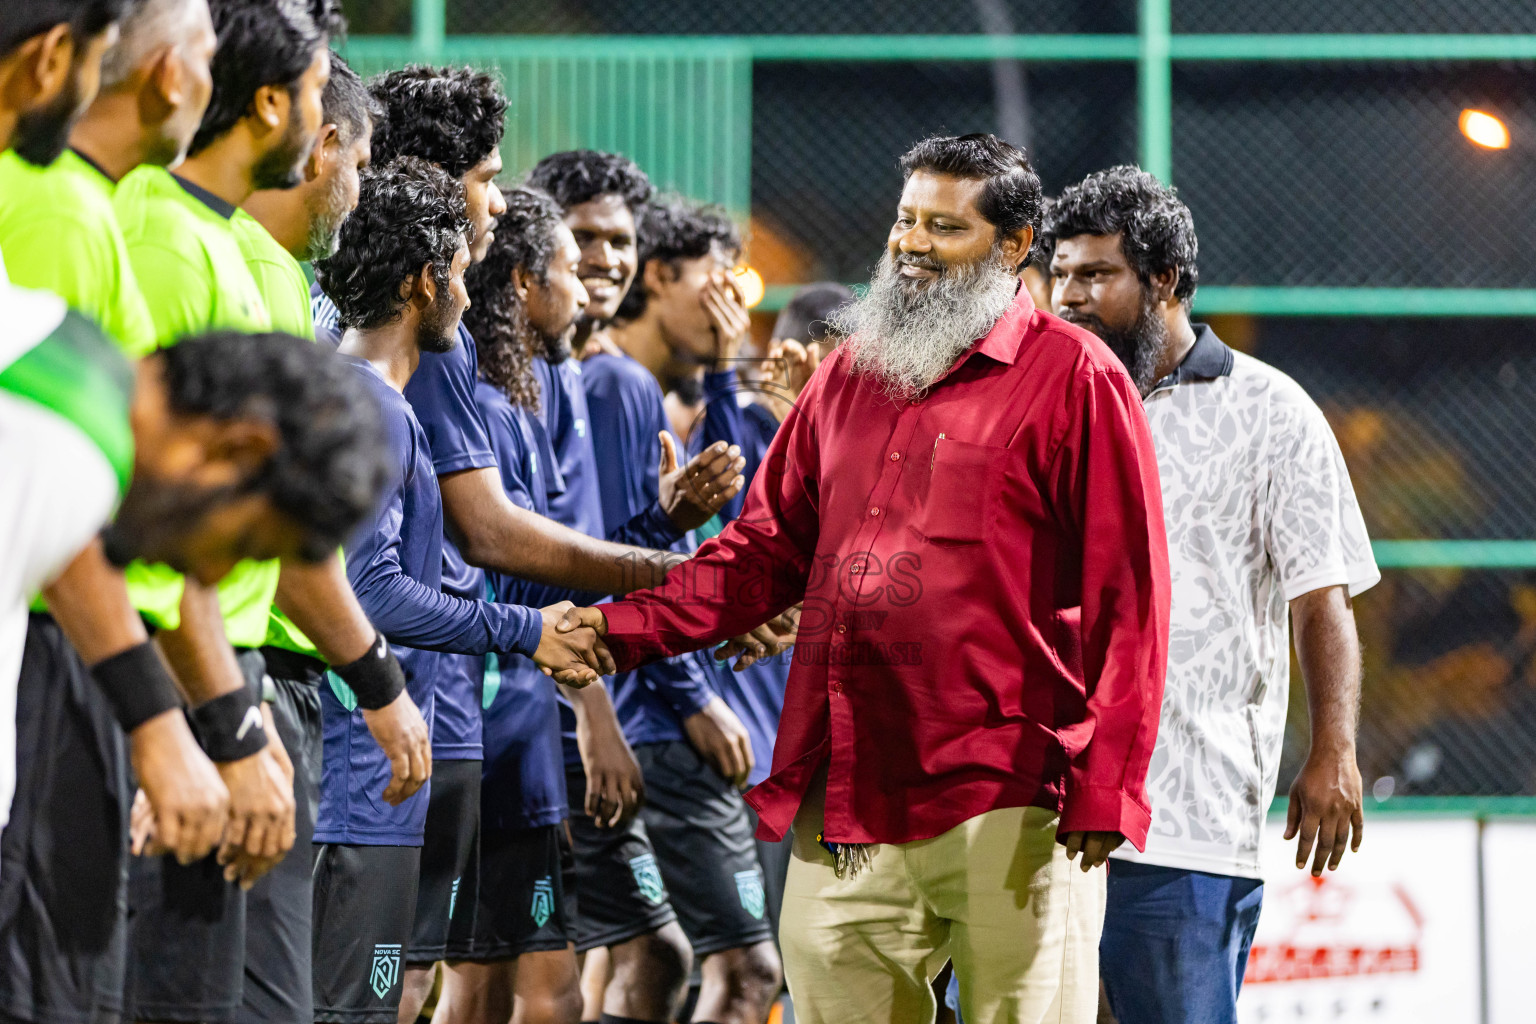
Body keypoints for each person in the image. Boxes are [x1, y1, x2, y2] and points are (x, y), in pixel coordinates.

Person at [557, 133, 1171, 1024]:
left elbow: (1131, 598)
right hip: (847, 792)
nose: (912, 244)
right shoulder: (847, 375)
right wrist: (614, 633)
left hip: (1012, 797)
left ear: (1012, 244)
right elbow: (759, 555)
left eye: (944, 228)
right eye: (905, 221)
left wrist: (1108, 782)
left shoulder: (1076, 378)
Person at [306, 75, 748, 1024]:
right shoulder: (382, 395)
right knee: (411, 991)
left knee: (420, 987)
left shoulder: (445, 374)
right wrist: (627, 602)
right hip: (383, 734)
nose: (496, 209)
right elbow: (409, 569)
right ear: (430, 268)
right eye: (487, 179)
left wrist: (666, 565)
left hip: (427, 721)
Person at [1044, 166, 1378, 1024]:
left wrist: (1333, 749)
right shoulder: (1042, 406)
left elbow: (1319, 601)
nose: (1068, 296)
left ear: (1165, 281)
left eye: (1095, 275)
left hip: (1187, 816)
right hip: (1034, 805)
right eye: (1061, 273)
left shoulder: (1274, 412)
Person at [310, 156, 614, 1024]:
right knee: (355, 1011)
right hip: (360, 775)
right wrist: (522, 629)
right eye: (456, 273)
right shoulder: (371, 407)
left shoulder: (369, 399)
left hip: (380, 773)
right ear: (421, 280)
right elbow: (374, 593)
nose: (468, 294)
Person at [111, 2, 331, 1021]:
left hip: (222, 669)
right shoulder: (157, 235)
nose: (326, 131)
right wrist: (208, 722)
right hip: (171, 671)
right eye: (321, 98)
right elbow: (143, 518)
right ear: (274, 101)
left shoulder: (235, 249)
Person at [527, 150, 764, 1024]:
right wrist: (661, 698)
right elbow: (535, 563)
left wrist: (673, 536)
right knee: (520, 972)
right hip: (566, 714)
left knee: (585, 969)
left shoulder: (608, 380)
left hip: (581, 708)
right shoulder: (564, 377)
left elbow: (605, 555)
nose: (605, 258)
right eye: (583, 237)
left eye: (618, 238)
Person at [234, 48, 437, 1024]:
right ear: (321, 144)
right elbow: (290, 539)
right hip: (245, 688)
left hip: (255, 690)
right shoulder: (232, 269)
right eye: (357, 162)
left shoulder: (277, 283)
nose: (358, 195)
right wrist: (383, 681)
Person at [598, 194, 786, 1024]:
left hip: (643, 713)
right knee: (737, 969)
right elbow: (605, 563)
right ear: (660, 275)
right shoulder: (616, 387)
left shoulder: (652, 389)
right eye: (717, 279)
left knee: (647, 958)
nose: (732, 301)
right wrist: (692, 694)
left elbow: (710, 540)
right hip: (656, 720)